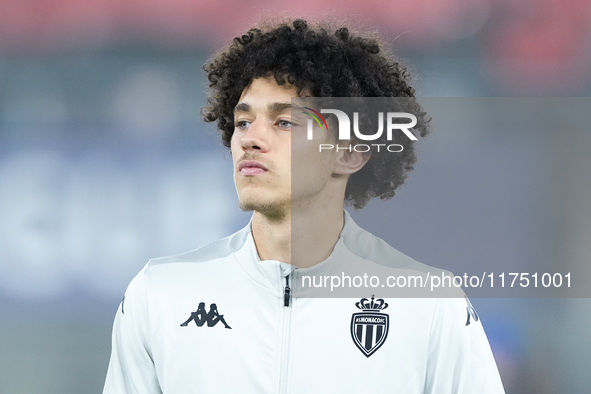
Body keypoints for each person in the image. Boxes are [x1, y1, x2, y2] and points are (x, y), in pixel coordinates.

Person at [103, 18, 505, 393]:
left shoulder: (430, 304)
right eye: (243, 122)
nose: (249, 139)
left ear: (350, 153)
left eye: (284, 122)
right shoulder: (159, 295)